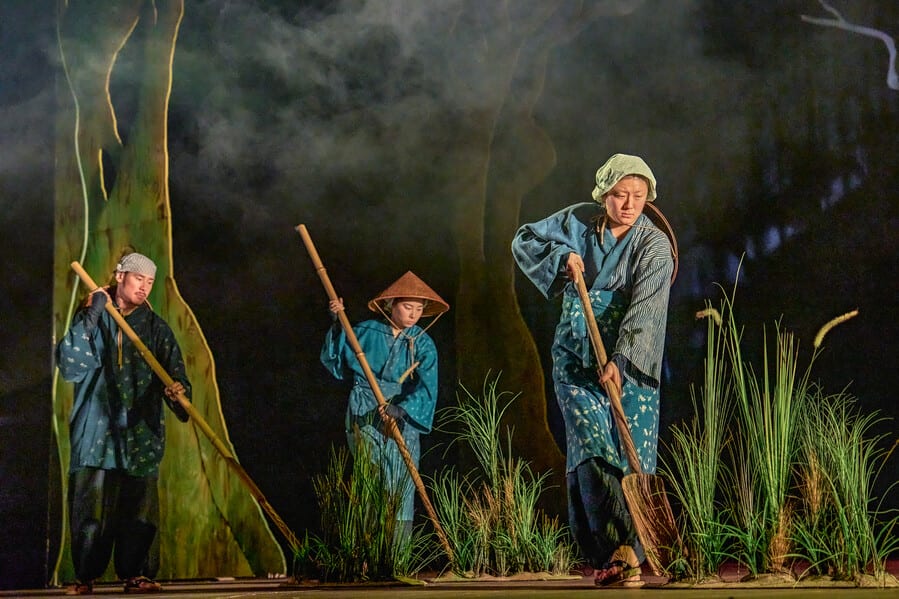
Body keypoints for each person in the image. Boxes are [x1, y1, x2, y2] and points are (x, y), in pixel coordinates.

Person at [511, 153, 675, 585]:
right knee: (589, 445)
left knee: (628, 452)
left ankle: (633, 550)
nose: (629, 203)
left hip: (628, 360)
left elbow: (647, 309)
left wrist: (621, 359)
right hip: (574, 351)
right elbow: (523, 240)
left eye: (638, 196)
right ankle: (608, 552)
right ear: (603, 195)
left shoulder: (654, 245)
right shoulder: (578, 222)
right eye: (620, 195)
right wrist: (562, 257)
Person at [56, 252, 191, 595]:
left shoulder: (156, 328)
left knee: (140, 509)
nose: (144, 287)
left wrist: (177, 393)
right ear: (120, 277)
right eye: (138, 279)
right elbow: (71, 364)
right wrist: (93, 311)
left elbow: (177, 377)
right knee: (92, 507)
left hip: (139, 431)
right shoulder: (94, 317)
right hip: (96, 427)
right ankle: (85, 576)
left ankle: (137, 573)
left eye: (149, 282)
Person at [320, 271, 449, 538]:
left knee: (401, 480)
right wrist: (337, 323)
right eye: (407, 307)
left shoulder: (423, 342)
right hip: (366, 408)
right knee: (372, 475)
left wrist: (402, 409)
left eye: (418, 309)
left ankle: (397, 558)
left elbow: (428, 386)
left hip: (402, 415)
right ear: (391, 305)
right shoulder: (366, 332)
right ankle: (368, 554)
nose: (413, 314)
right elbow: (335, 360)